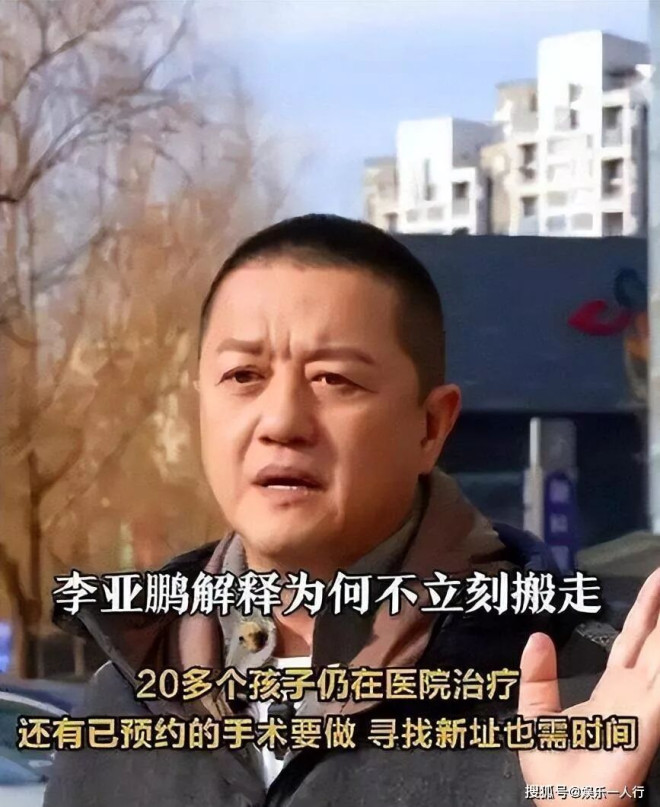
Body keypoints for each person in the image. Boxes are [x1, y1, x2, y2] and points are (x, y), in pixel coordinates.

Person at [44, 215, 660, 807]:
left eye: (334, 380)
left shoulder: (598, 688)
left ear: (430, 426)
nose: (281, 421)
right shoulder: (121, 703)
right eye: (243, 375)